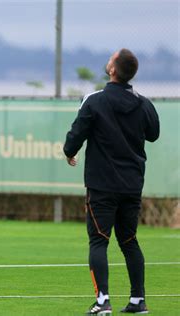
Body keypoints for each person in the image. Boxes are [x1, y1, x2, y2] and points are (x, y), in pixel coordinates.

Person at [63, 48, 159, 314]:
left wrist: (69, 152)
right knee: (129, 241)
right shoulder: (143, 102)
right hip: (131, 185)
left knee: (99, 242)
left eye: (111, 59)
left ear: (113, 70)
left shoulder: (95, 100)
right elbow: (154, 133)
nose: (108, 61)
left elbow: (76, 134)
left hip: (102, 185)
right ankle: (138, 300)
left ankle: (103, 300)